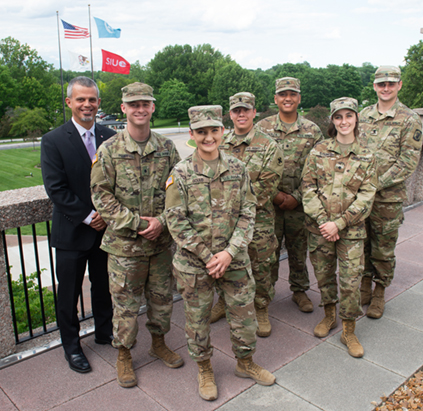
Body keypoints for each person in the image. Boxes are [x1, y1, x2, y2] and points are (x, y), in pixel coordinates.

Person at [165, 105, 275, 401]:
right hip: (194, 264)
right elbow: (175, 220)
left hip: (234, 259)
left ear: (222, 131)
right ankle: (204, 368)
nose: (208, 137)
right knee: (197, 320)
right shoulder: (181, 172)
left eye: (214, 130)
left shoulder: (237, 169)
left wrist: (229, 252)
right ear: (192, 135)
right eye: (201, 132)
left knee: (243, 316)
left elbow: (249, 211)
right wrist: (208, 256)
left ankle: (245, 362)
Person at [90, 82, 183, 388]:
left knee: (161, 301)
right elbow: (101, 196)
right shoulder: (109, 150)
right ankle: (124, 354)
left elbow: (180, 191)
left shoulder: (167, 149)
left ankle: (159, 343)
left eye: (145, 103)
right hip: (124, 247)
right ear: (124, 109)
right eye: (134, 104)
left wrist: (162, 221)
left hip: (159, 245)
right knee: (125, 306)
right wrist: (138, 224)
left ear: (152, 107)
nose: (140, 109)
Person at [41, 76, 114, 373]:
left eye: (92, 99)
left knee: (103, 286)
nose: (87, 104)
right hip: (72, 232)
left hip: (106, 231)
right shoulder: (53, 140)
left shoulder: (110, 137)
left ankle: (104, 333)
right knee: (69, 294)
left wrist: (107, 216)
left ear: (98, 103)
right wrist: (89, 216)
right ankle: (71, 347)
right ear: (69, 102)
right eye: (81, 99)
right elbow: (56, 188)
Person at [302, 97, 377, 357]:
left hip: (351, 232)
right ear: (332, 120)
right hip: (320, 230)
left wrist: (340, 223)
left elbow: (367, 196)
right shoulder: (319, 150)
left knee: (350, 281)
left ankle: (349, 329)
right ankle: (329, 315)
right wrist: (324, 222)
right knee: (323, 277)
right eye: (338, 117)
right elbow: (307, 187)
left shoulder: (366, 155)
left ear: (356, 118)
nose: (344, 121)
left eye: (349, 116)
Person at [210, 92, 283, 337]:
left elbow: (268, 186)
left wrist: (237, 209)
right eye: (236, 111)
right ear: (229, 115)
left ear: (254, 113)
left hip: (258, 221)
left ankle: (261, 308)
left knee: (261, 265)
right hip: (226, 223)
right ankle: (223, 301)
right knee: (226, 264)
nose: (241, 114)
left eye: (246, 110)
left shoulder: (268, 145)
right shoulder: (221, 143)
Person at [359, 66, 423, 319]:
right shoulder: (363, 115)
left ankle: (379, 291)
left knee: (383, 248)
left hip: (388, 199)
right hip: (361, 198)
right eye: (381, 83)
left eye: (391, 83)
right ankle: (364, 285)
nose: (386, 88)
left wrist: (374, 184)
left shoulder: (409, 119)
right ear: (374, 86)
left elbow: (407, 162)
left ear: (399, 85)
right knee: (361, 244)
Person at [255, 77, 323, 313]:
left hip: (299, 203)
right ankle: (264, 296)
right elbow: (256, 167)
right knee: (267, 253)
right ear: (275, 99)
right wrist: (274, 195)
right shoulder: (261, 129)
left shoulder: (312, 131)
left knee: (298, 249)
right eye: (283, 94)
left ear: (299, 98)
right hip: (269, 205)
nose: (288, 98)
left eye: (292, 94)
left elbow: (318, 169)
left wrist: (297, 196)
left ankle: (300, 290)